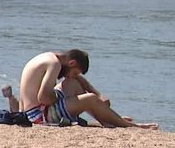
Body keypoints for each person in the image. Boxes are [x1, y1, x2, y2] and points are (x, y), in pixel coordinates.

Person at [18, 50, 157, 129]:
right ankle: (130, 126)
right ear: (72, 63)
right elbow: (43, 98)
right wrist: (63, 98)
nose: (72, 76)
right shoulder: (54, 65)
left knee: (77, 85)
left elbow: (75, 79)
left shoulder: (50, 57)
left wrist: (98, 94)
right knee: (89, 99)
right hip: (38, 116)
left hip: (31, 111)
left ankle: (107, 119)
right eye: (75, 72)